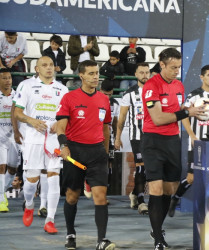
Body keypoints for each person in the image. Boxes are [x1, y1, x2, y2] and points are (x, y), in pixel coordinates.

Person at [141, 48, 205, 250]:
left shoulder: (178, 85)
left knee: (170, 190)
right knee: (156, 189)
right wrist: (186, 113)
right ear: (162, 65)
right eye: (173, 67)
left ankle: (156, 227)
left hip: (172, 141)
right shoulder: (151, 86)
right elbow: (159, 118)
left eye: (178, 67)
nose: (177, 71)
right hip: (153, 141)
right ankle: (158, 238)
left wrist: (191, 122)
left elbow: (179, 112)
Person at [56, 60, 115, 250]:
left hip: (97, 152)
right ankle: (70, 233)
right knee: (72, 196)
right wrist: (64, 146)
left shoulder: (104, 99)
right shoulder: (69, 98)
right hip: (75, 151)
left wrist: (105, 153)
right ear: (81, 75)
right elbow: (60, 126)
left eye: (97, 73)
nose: (95, 76)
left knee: (101, 196)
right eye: (91, 73)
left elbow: (106, 128)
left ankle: (101, 240)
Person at [14, 56, 68, 234]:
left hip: (53, 138)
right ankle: (29, 204)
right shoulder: (26, 85)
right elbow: (17, 112)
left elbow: (66, 116)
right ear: (37, 68)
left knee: (53, 176)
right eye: (44, 65)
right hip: (33, 138)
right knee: (32, 179)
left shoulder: (62, 89)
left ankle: (50, 220)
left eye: (51, 65)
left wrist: (58, 124)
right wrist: (31, 120)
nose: (48, 68)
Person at [168, 65, 209, 217]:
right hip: (196, 143)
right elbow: (183, 115)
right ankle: (176, 198)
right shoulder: (193, 96)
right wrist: (192, 135)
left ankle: (208, 210)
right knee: (192, 178)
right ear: (202, 77)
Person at [114, 62, 150, 215]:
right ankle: (142, 202)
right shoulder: (129, 93)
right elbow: (122, 117)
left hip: (153, 136)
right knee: (141, 167)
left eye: (147, 72)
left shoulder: (156, 90)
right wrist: (117, 137)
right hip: (137, 136)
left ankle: (135, 193)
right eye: (141, 72)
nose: (145, 75)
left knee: (149, 169)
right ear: (136, 74)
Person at [0, 68, 19, 212]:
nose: (8, 81)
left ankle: (2, 191)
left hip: (14, 136)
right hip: (0, 137)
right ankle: (1, 199)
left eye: (9, 78)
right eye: (4, 78)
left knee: (12, 168)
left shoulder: (18, 95)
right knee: (1, 166)